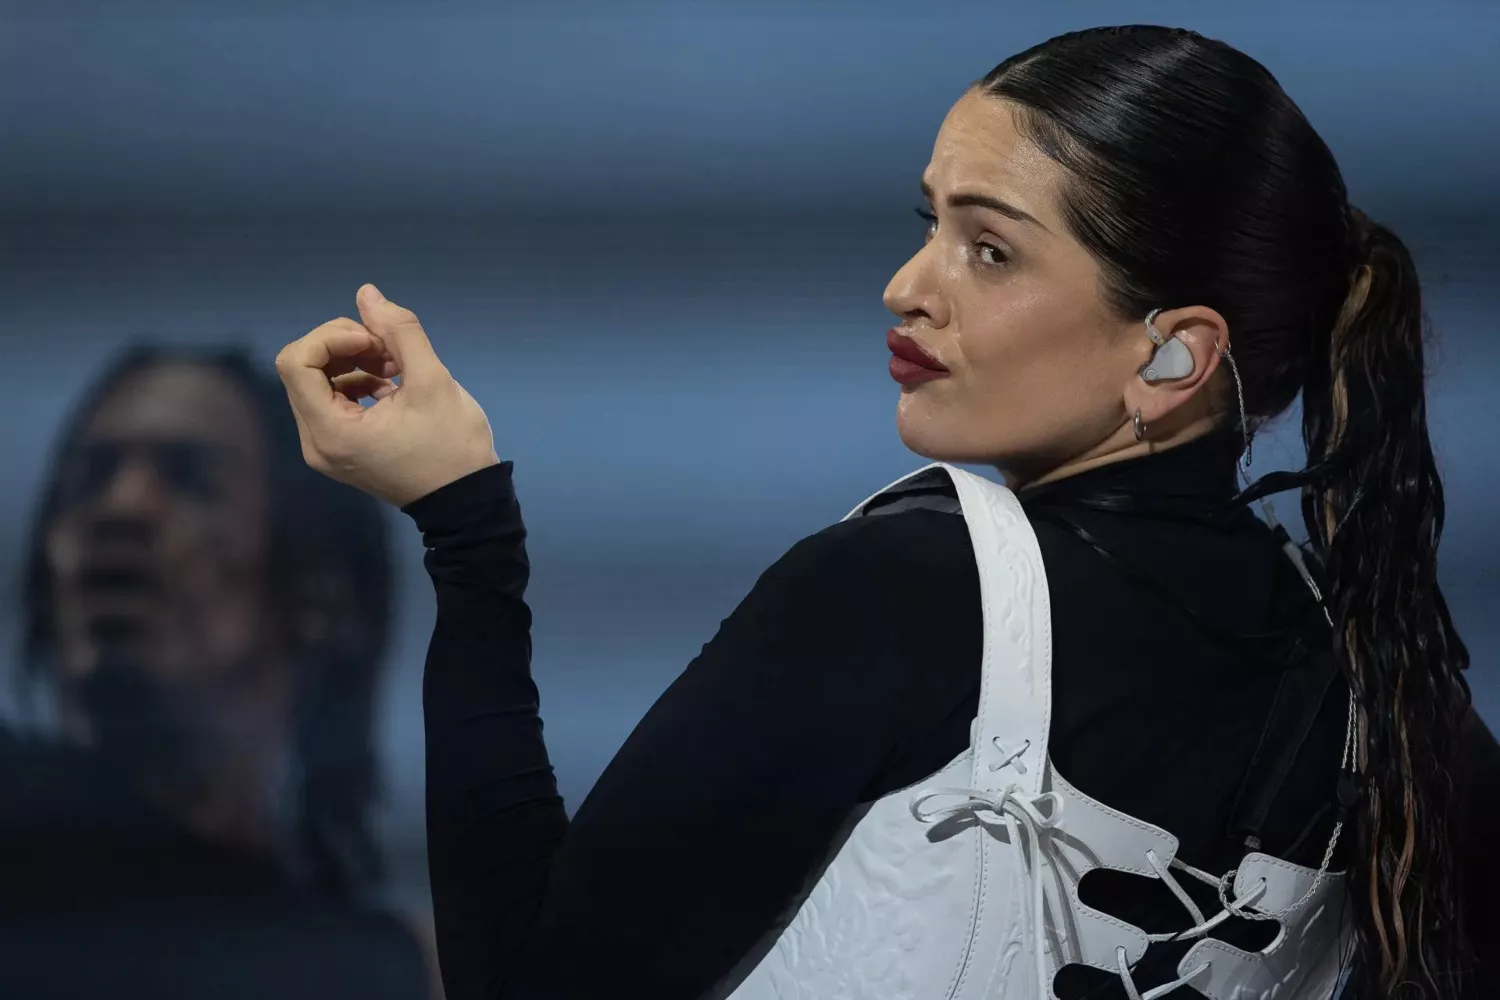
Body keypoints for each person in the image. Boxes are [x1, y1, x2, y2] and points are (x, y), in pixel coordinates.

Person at [274, 25, 1497, 1000]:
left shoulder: (904, 593)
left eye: (991, 251)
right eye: (933, 225)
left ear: (1172, 356)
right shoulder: (1383, 686)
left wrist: (464, 530)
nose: (906, 289)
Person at [0, 345, 432, 1000]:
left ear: (321, 595)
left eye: (192, 480)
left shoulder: (372, 970)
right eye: (88, 479)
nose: (122, 508)